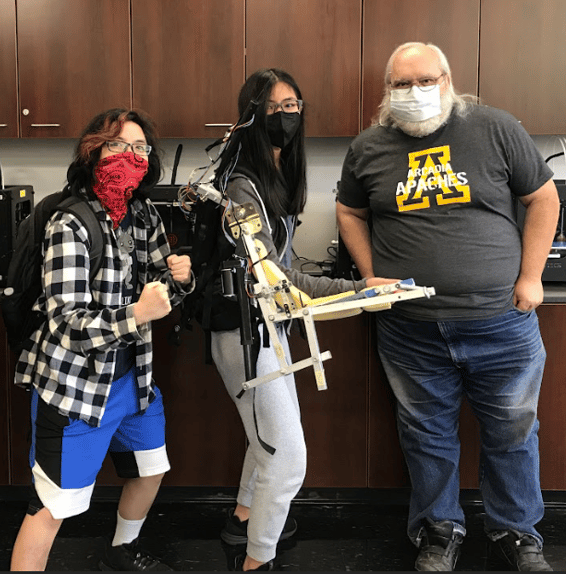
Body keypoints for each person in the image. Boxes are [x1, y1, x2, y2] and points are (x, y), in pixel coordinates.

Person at [336, 42, 559, 572]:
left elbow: (543, 198)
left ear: (448, 80)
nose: (414, 92)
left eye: (425, 80)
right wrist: (370, 275)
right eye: (401, 84)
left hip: (501, 321)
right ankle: (439, 531)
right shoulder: (368, 147)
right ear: (387, 90)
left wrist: (531, 276)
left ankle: (516, 533)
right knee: (425, 434)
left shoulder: (496, 128)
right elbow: (348, 212)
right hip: (409, 329)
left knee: (512, 432)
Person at [209, 68, 394, 571]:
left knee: (266, 439)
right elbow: (276, 278)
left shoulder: (273, 174)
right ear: (251, 116)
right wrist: (357, 289)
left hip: (269, 325)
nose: (285, 115)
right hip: (244, 332)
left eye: (292, 105)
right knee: (287, 457)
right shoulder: (241, 187)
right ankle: (257, 561)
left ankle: (244, 519)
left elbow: (280, 268)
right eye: (272, 108)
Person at [10, 108, 193, 571]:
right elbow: (67, 324)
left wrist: (180, 279)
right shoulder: (69, 224)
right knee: (52, 505)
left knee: (150, 468)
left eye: (140, 148)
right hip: (75, 389)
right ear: (92, 152)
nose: (130, 156)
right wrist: (137, 314)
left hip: (135, 380)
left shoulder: (143, 213)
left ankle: (121, 551)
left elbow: (159, 286)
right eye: (117, 145)